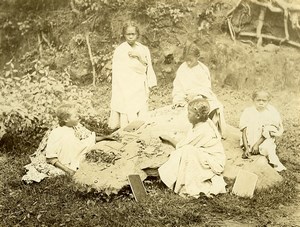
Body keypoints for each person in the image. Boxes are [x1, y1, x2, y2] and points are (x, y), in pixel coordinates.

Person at [22, 103, 114, 183]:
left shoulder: (75, 128)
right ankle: (69, 167)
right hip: (63, 163)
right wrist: (68, 170)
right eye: (75, 116)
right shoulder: (56, 132)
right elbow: (51, 157)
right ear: (66, 119)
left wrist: (106, 137)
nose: (79, 117)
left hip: (73, 158)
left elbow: (87, 139)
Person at [158, 98, 227, 198]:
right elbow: (189, 140)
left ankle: (177, 182)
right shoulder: (199, 124)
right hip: (205, 155)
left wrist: (169, 139)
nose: (187, 115)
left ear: (198, 116)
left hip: (214, 161)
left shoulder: (203, 130)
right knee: (186, 151)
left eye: (189, 113)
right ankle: (169, 179)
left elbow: (183, 146)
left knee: (187, 151)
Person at [109, 21, 157, 130]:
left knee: (140, 104)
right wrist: (124, 85)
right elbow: (119, 71)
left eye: (133, 34)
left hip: (139, 82)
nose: (130, 37)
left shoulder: (142, 49)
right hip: (126, 83)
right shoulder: (120, 50)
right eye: (128, 34)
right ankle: (127, 129)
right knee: (128, 105)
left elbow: (146, 66)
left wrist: (139, 57)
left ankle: (141, 126)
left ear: (137, 35)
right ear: (124, 35)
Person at [172, 43, 226, 138]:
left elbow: (206, 88)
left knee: (216, 106)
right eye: (186, 60)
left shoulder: (203, 69)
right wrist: (179, 97)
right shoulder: (182, 68)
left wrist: (198, 95)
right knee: (183, 108)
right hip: (185, 97)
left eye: (191, 60)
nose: (188, 63)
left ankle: (211, 130)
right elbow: (178, 87)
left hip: (201, 96)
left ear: (197, 57)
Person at [239, 90, 286, 172]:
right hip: (250, 137)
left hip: (263, 139)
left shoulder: (271, 113)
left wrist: (257, 145)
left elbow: (268, 132)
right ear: (253, 100)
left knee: (268, 148)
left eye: (264, 101)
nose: (261, 103)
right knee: (248, 149)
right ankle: (249, 148)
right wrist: (246, 148)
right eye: (258, 100)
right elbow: (244, 131)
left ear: (268, 101)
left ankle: (273, 162)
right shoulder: (248, 111)